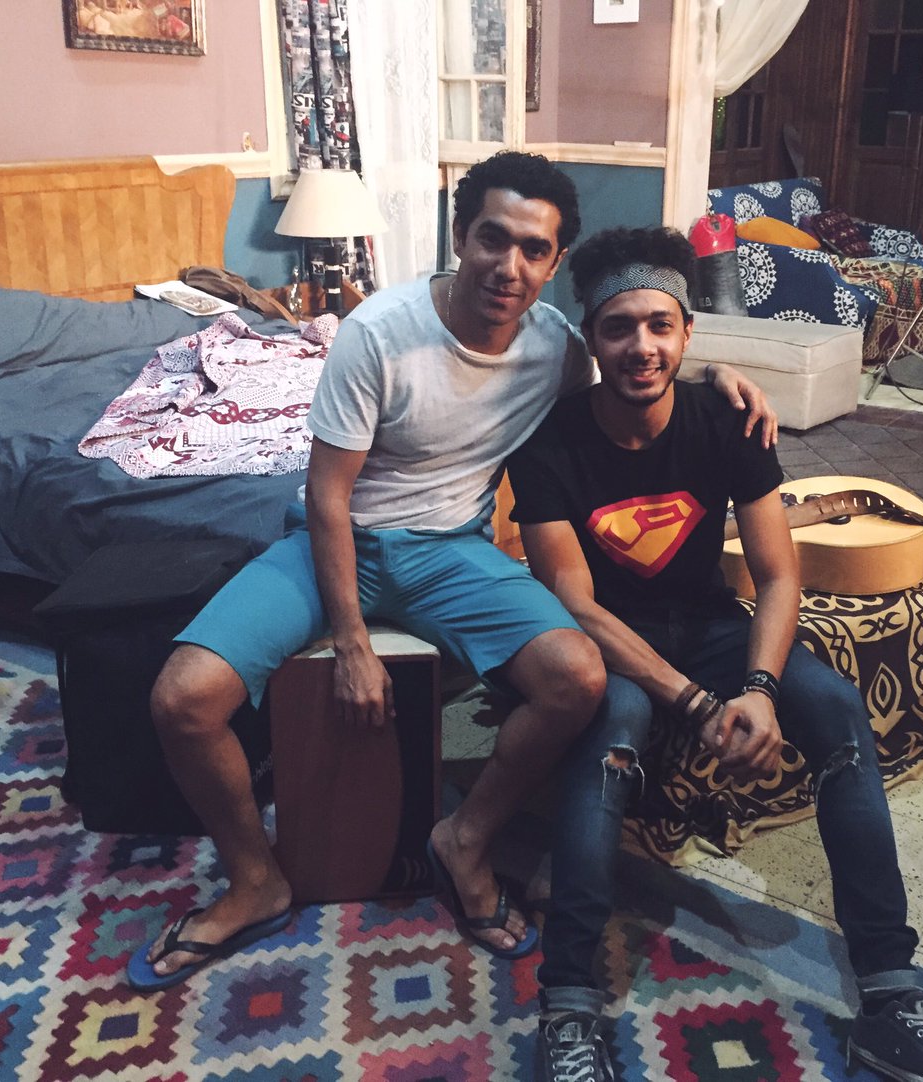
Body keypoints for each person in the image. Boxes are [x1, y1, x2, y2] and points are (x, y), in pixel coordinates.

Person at [125, 152, 776, 991]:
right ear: (460, 236)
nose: (509, 266)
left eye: (534, 250)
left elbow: (634, 372)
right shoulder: (378, 332)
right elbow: (327, 497)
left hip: (452, 552)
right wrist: (352, 643)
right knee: (181, 699)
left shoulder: (556, 347)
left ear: (553, 262)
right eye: (493, 239)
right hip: (338, 541)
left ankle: (464, 839)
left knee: (577, 677)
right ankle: (256, 880)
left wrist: (716, 375)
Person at [506, 225, 923, 1082]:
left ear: (688, 332)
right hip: (609, 640)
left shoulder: (729, 420)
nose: (641, 346)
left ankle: (891, 998)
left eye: (660, 325)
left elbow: (776, 574)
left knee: (836, 709)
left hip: (710, 625)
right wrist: (695, 704)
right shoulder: (550, 443)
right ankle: (570, 1007)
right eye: (618, 327)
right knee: (612, 731)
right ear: (590, 338)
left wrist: (761, 688)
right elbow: (577, 604)